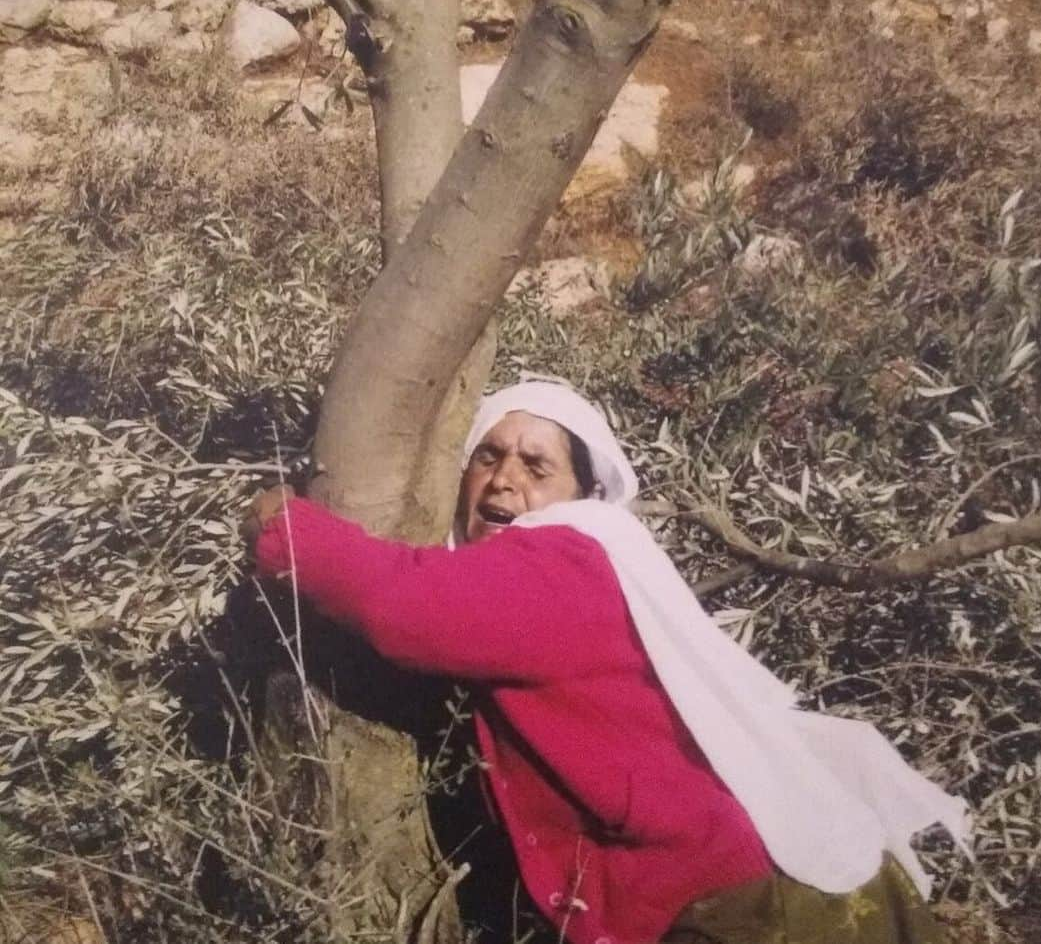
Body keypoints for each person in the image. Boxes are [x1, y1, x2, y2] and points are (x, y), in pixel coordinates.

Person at [246, 381, 967, 944]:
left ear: (583, 494)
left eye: (536, 465)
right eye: (488, 456)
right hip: (755, 890)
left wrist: (281, 529)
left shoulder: (566, 557)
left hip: (752, 909)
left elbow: (404, 607)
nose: (502, 483)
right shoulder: (585, 562)